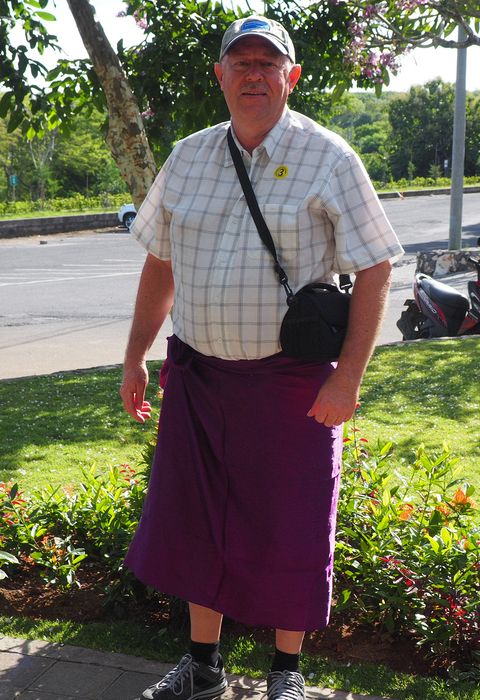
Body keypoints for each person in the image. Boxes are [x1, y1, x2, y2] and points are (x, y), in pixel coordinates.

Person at [120, 15, 403, 700]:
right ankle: (203, 666)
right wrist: (134, 356)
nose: (253, 74)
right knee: (196, 522)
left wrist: (348, 378)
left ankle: (287, 673)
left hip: (289, 382)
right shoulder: (187, 157)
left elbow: (376, 266)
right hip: (198, 374)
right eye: (240, 63)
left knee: (292, 524)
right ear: (220, 75)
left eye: (267, 64)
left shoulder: (329, 157)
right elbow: (161, 262)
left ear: (291, 77)